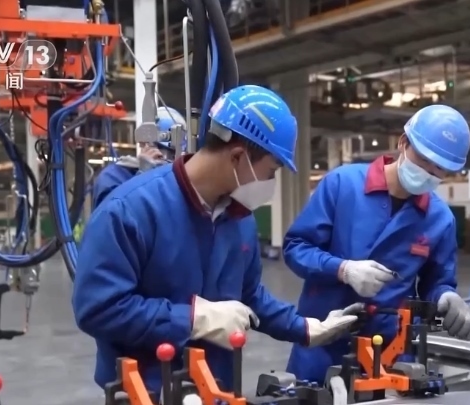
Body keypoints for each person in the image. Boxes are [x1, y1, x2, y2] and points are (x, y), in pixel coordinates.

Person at [72, 85, 362, 395]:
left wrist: (305, 327)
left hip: (218, 388)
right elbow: (98, 308)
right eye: (271, 171)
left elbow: (248, 295)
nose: (270, 183)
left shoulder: (239, 218)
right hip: (147, 392)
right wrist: (193, 318)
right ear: (238, 157)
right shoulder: (130, 210)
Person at [283, 104, 470, 382]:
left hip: (391, 352)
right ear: (403, 143)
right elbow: (296, 248)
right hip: (323, 341)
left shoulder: (440, 219)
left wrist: (446, 296)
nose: (429, 172)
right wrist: (343, 269)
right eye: (424, 160)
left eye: (440, 169)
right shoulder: (342, 184)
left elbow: (437, 282)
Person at [91, 106, 182, 208]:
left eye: (174, 155)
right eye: (165, 152)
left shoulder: (176, 180)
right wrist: (143, 177)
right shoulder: (113, 176)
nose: (170, 161)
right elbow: (112, 214)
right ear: (145, 144)